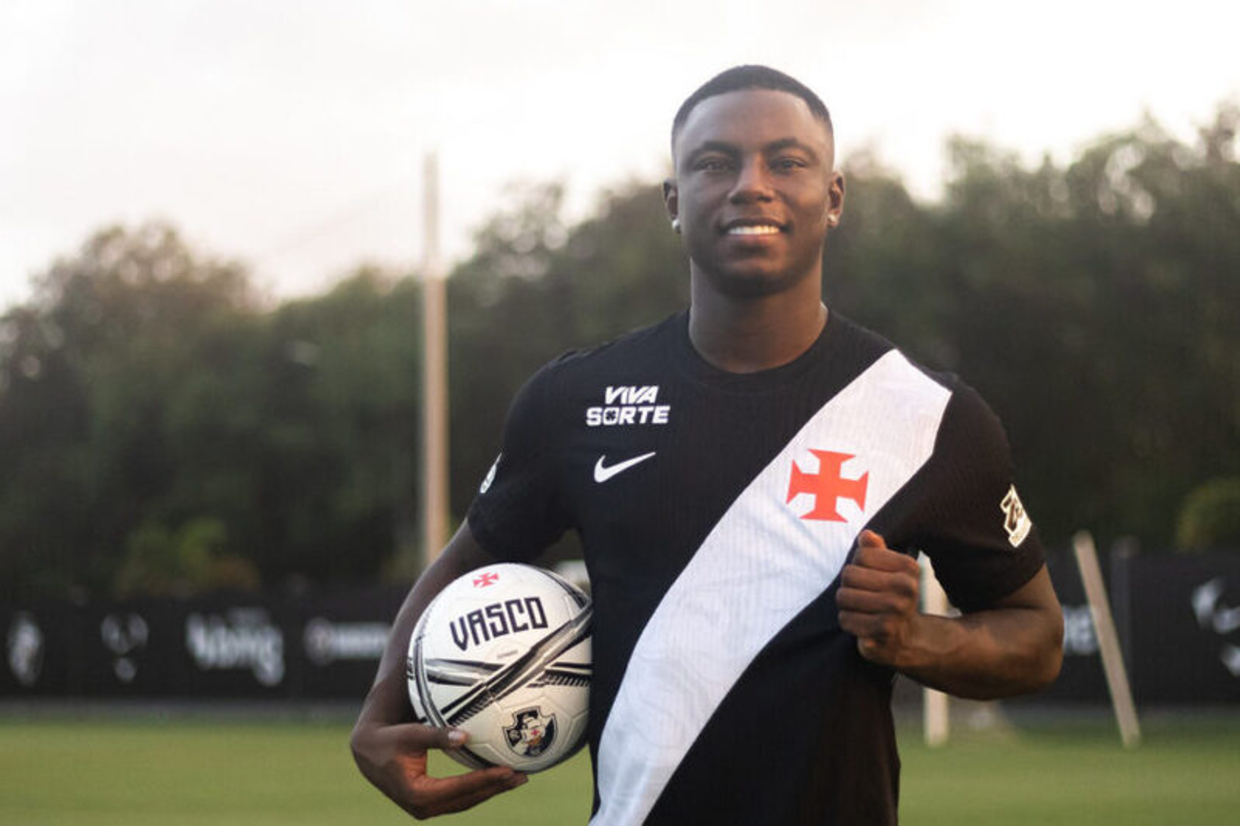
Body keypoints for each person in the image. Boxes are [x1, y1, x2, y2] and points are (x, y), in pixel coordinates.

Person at [351, 65, 1063, 824]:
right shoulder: (575, 400)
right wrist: (378, 714)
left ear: (833, 198)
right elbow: (468, 559)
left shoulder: (930, 417)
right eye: (715, 163)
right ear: (674, 202)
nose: (752, 185)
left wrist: (916, 639)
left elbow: (1037, 637)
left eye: (786, 162)